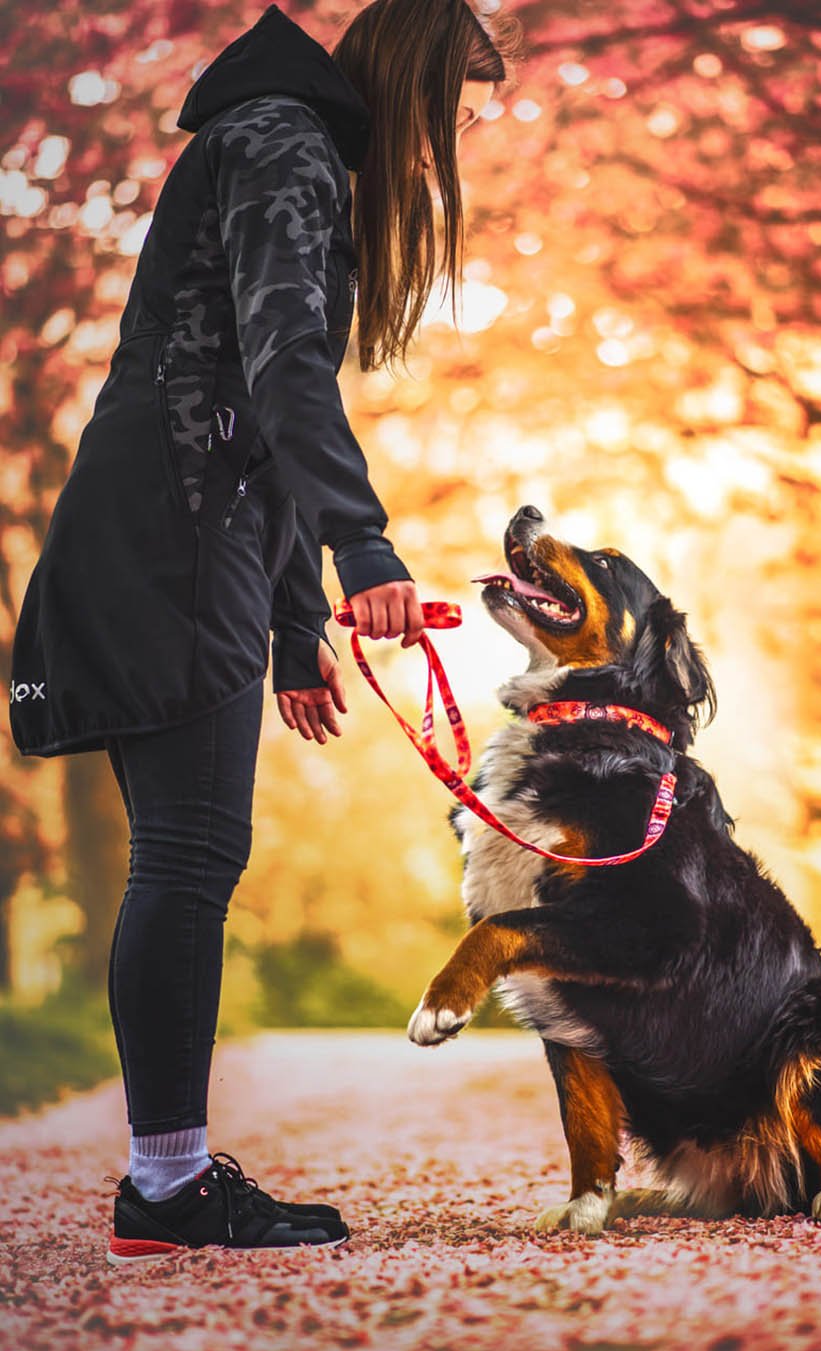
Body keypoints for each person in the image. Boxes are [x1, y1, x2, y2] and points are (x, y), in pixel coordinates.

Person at [9, 0, 516, 1263]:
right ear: (411, 74)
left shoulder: (279, 143)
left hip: (193, 537)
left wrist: (300, 626)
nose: (443, 137)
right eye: (451, 104)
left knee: (192, 855)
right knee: (186, 857)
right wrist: (367, 552)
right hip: (169, 538)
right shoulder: (285, 141)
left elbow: (254, 390)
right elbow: (287, 364)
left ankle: (168, 1180)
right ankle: (166, 1190)